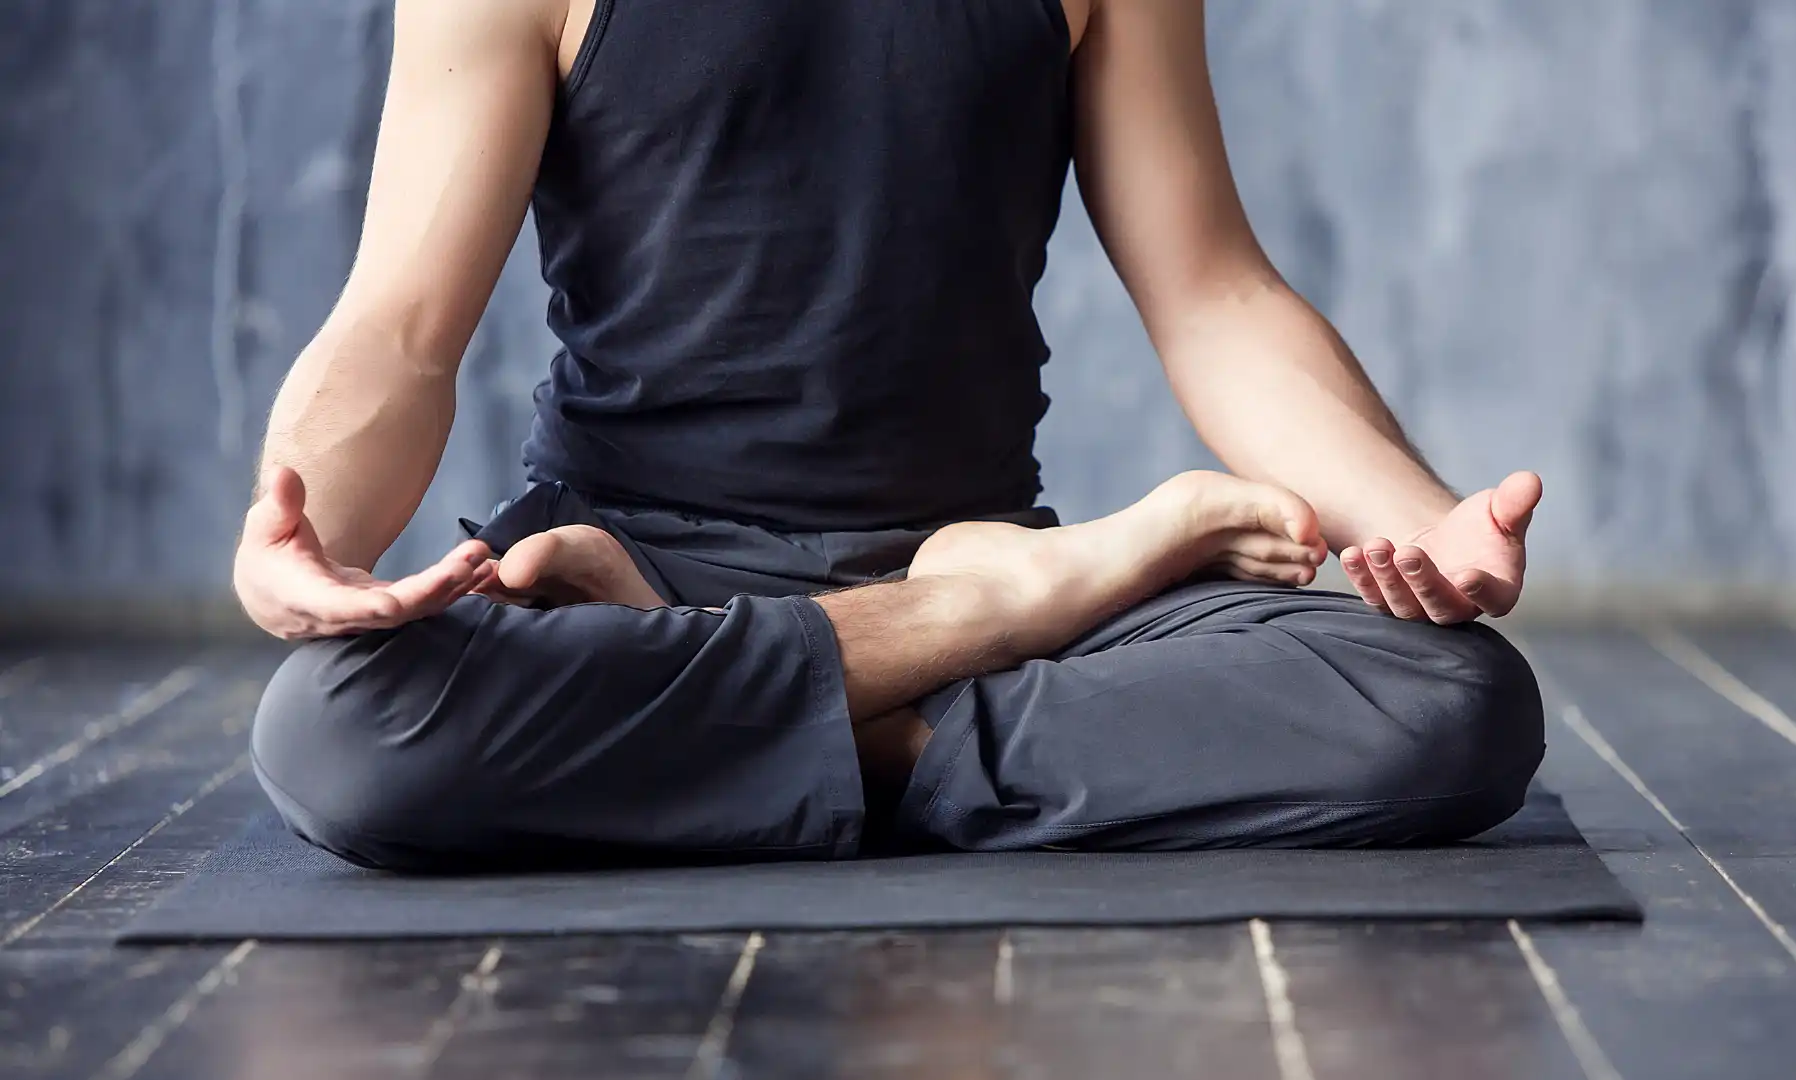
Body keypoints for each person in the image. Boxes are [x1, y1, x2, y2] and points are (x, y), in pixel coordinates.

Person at [235, 0, 1545, 872]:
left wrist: (1422, 520)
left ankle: (820, 722)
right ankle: (933, 677)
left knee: (1446, 704)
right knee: (341, 732)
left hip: (903, 570)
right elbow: (401, 330)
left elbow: (1215, 295)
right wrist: (300, 529)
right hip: (630, 572)